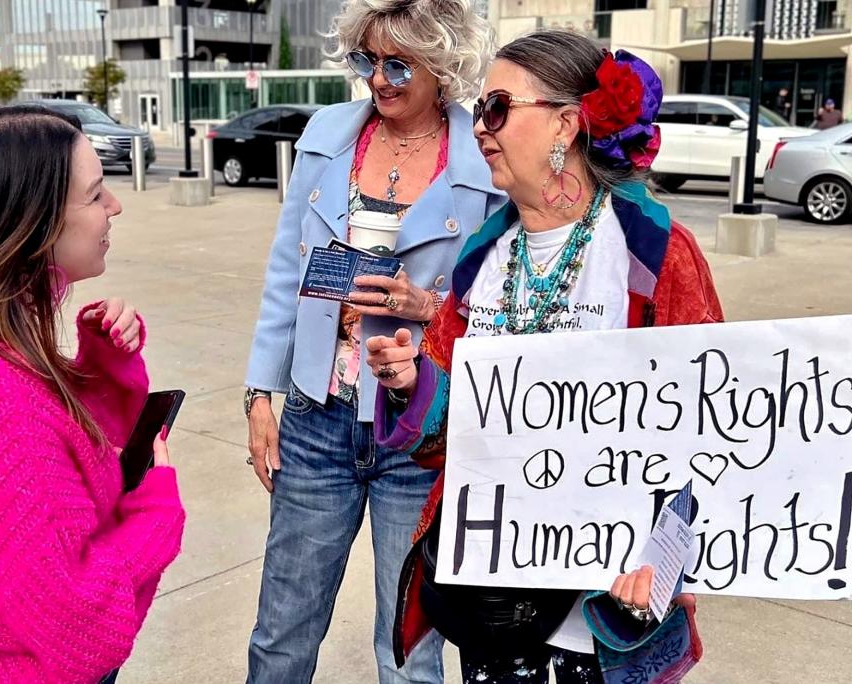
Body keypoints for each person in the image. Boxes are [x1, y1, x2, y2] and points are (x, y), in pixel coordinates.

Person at [367, 31, 722, 683]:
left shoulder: (652, 256)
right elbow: (445, 439)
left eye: (498, 107)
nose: (479, 127)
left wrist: (671, 558)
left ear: (565, 123)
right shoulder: (483, 259)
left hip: (606, 617)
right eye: (478, 109)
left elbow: (711, 432)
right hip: (495, 608)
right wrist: (412, 383)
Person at [243, 0, 504, 680]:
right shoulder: (329, 133)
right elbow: (284, 271)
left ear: (442, 67)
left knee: (409, 645)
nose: (378, 79)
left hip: (415, 430)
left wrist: (429, 305)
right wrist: (259, 395)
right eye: (366, 60)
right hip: (316, 419)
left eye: (397, 64)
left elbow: (506, 298)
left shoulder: (482, 157)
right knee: (282, 631)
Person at [0, 107, 186, 682]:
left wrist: (101, 367)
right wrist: (155, 510)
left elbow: (55, 473)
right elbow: (77, 625)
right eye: (96, 193)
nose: (115, 207)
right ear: (32, 221)